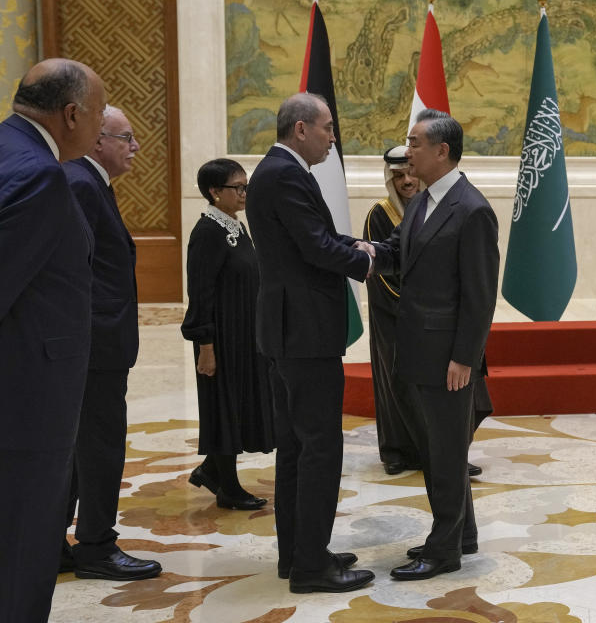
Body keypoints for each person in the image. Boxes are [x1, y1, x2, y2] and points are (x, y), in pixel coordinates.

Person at [245, 92, 375, 593]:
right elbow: (316, 247)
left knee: (297, 447)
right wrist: (371, 260)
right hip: (304, 334)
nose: (331, 137)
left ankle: (300, 551)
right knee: (320, 448)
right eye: (326, 128)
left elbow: (316, 238)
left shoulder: (277, 172)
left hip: (288, 331)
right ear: (300, 129)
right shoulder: (284, 174)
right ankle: (312, 567)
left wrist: (361, 246)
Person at [372, 109, 499, 580]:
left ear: (441, 151)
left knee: (445, 456)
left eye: (415, 143)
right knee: (436, 451)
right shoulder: (424, 202)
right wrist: (362, 253)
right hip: (417, 352)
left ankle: (443, 550)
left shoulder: (472, 209)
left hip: (448, 359)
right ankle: (462, 535)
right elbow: (398, 256)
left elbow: (481, 295)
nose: (408, 153)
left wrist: (465, 357)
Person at [0, 58, 106, 623]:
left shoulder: (7, 148)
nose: (100, 122)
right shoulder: (41, 174)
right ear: (70, 114)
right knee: (24, 543)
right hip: (27, 399)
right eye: (97, 111)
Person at [59, 105, 162, 581]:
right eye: (127, 137)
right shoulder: (81, 182)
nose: (135, 146)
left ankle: (54, 541)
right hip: (94, 346)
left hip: (94, 345)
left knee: (81, 448)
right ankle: (97, 546)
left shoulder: (89, 181)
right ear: (98, 140)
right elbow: (73, 270)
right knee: (99, 449)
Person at [181, 158, 274, 511]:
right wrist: (206, 345)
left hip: (244, 335)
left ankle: (210, 470)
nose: (243, 193)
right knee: (223, 406)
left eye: (245, 187)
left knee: (237, 405)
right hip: (219, 340)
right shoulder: (207, 232)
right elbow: (200, 291)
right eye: (237, 188)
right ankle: (229, 487)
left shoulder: (235, 224)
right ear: (214, 192)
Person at [363, 146, 421, 475]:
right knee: (394, 383)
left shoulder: (434, 208)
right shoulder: (380, 215)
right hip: (393, 317)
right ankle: (396, 452)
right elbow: (377, 271)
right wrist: (410, 304)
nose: (407, 181)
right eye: (398, 176)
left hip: (429, 318)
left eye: (410, 173)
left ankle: (438, 453)